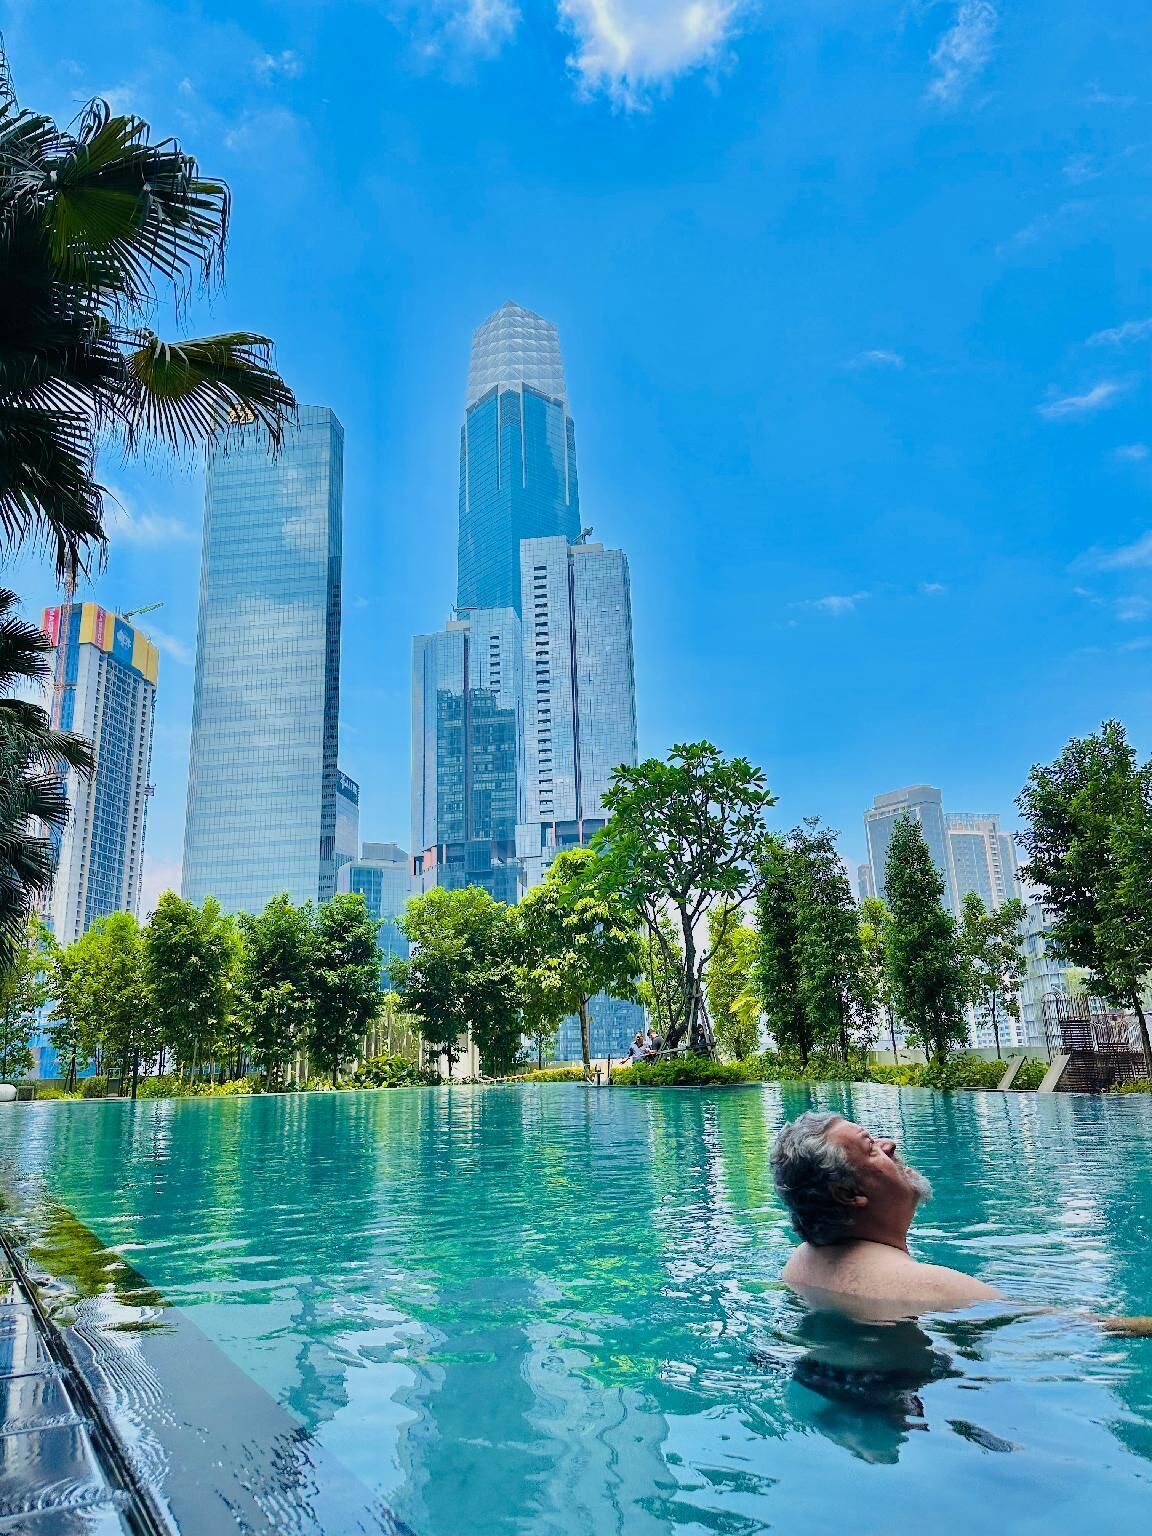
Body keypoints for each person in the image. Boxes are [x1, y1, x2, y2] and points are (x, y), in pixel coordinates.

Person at [770, 1111, 999, 1309]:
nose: (889, 1144)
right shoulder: (946, 1292)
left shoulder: (799, 1267)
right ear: (849, 1194)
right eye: (870, 1147)